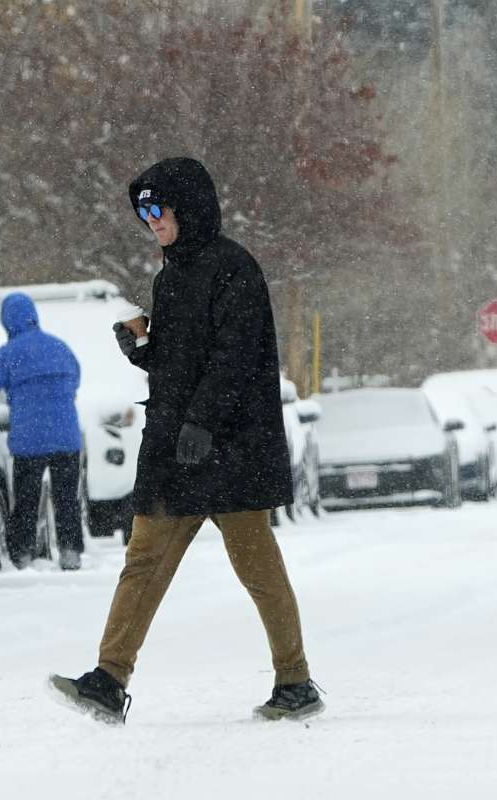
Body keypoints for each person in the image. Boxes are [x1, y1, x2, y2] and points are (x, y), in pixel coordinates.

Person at [50, 157, 321, 722]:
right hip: (180, 447)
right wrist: (145, 350)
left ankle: (295, 682)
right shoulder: (170, 276)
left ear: (189, 207)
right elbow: (182, 361)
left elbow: (236, 357)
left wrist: (202, 420)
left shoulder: (233, 269)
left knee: (257, 566)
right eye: (143, 210)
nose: (151, 220)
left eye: (159, 208)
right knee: (144, 558)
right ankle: (108, 678)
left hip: (230, 446)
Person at [0, 292, 84, 570]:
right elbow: (75, 378)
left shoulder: (7, 355)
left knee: (26, 499)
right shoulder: (60, 347)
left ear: (7, 321)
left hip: (29, 438)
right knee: (66, 499)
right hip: (66, 436)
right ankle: (70, 551)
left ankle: (22, 554)